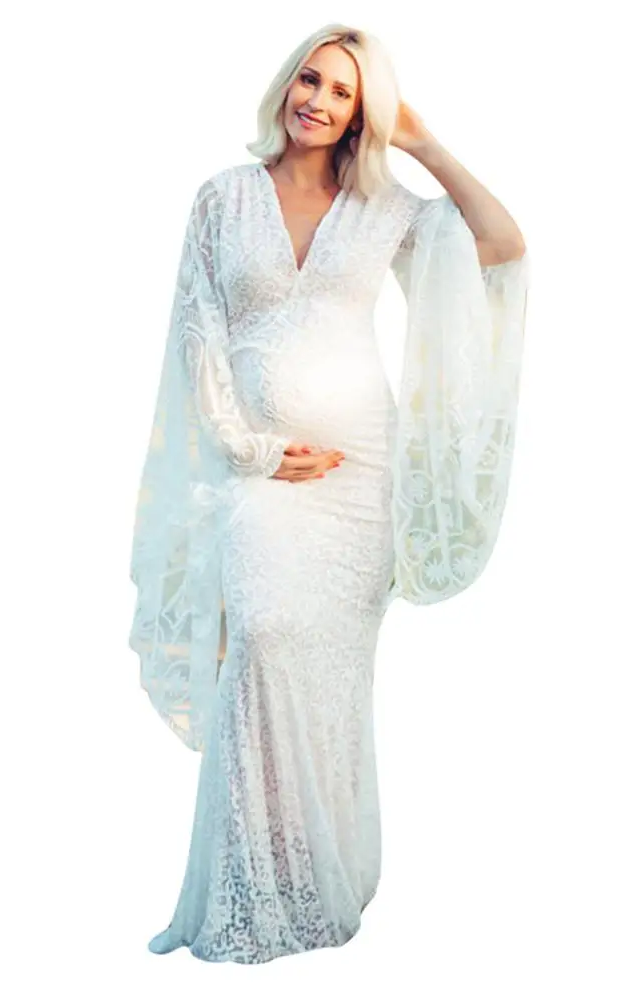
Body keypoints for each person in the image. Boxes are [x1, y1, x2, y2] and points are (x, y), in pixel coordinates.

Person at [128, 23, 530, 964]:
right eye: (310, 79)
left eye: (343, 92)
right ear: (287, 84)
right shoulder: (223, 199)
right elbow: (197, 335)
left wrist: (421, 142)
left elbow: (503, 244)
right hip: (260, 469)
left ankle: (312, 883)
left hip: (359, 483)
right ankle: (242, 891)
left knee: (329, 681)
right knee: (261, 640)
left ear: (361, 113)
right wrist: (253, 449)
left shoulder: (383, 208)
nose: (317, 100)